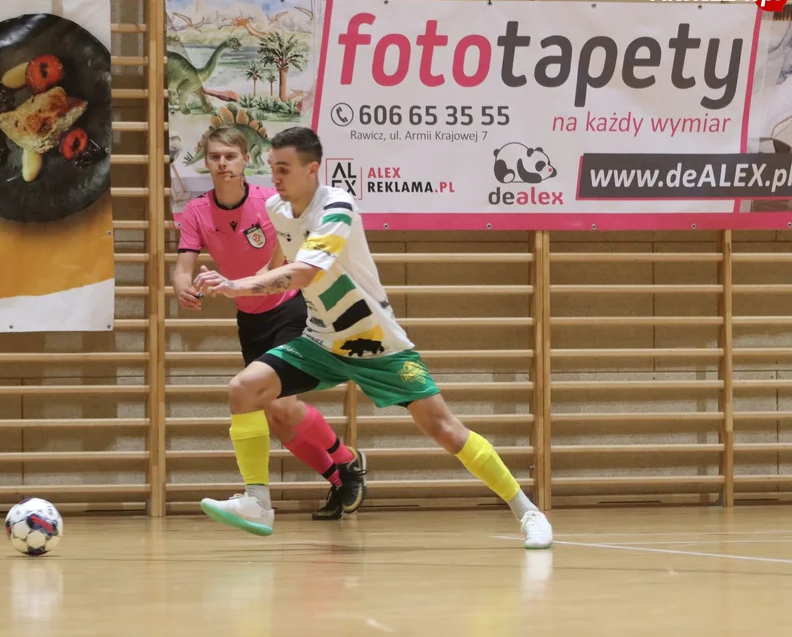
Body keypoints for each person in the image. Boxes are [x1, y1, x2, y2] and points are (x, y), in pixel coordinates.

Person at [194, 126, 554, 548]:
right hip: (321, 341)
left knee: (445, 429)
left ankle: (527, 511)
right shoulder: (276, 208)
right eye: (272, 168)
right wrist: (251, 281)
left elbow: (307, 271)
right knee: (244, 389)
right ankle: (257, 500)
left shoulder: (338, 207)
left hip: (376, 342)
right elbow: (284, 258)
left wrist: (235, 285)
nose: (275, 177)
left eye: (285, 169)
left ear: (313, 170)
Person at [172, 124, 367, 527]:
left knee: (281, 404)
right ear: (205, 161)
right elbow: (183, 266)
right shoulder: (196, 211)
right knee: (276, 418)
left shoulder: (268, 202)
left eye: (230, 156)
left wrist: (248, 280)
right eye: (214, 157)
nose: (222, 163)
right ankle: (341, 473)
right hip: (249, 318)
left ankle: (344, 463)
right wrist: (182, 289)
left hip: (289, 311)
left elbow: (280, 257)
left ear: (246, 160)